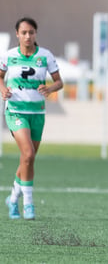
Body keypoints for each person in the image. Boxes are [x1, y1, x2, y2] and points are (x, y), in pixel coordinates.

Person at [0, 17, 63, 220]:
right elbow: (0, 76)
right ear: (17, 34)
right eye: (24, 32)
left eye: (31, 32)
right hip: (16, 111)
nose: (28, 36)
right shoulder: (9, 56)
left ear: (36, 34)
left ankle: (12, 198)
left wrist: (50, 88)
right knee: (27, 154)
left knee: (28, 159)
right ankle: (28, 204)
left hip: (37, 113)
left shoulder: (45, 56)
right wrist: (3, 89)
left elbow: (59, 82)